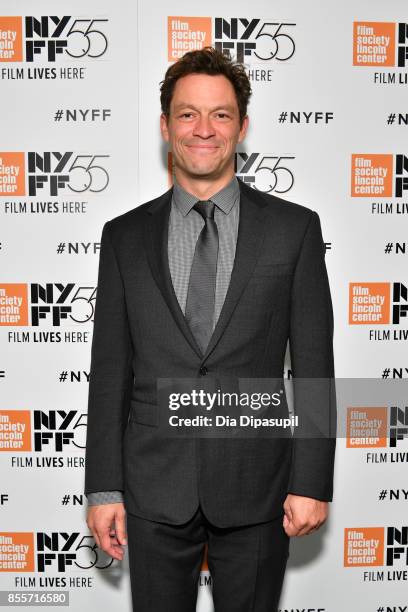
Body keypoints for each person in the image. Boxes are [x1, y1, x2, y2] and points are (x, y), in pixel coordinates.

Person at [84, 46, 336, 611]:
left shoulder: (293, 230)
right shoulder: (123, 237)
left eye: (220, 114)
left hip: (258, 487)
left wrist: (313, 480)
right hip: (152, 490)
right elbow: (108, 373)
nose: (204, 129)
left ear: (242, 127)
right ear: (165, 125)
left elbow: (315, 364)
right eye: (188, 113)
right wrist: (103, 488)